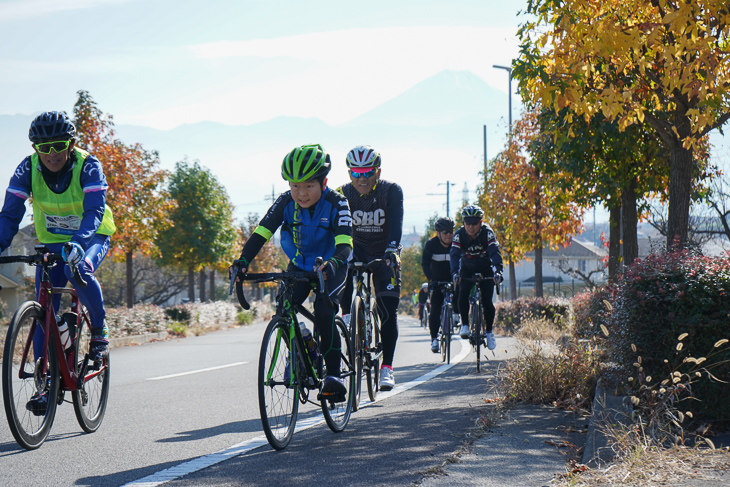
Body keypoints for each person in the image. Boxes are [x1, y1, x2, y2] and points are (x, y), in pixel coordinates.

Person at [0, 111, 116, 414]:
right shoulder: (27, 168)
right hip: (52, 240)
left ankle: (100, 334)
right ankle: (46, 383)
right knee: (43, 307)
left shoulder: (89, 166)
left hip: (91, 237)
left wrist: (79, 242)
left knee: (80, 269)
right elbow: (10, 214)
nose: (52, 153)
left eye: (59, 145)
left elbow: (94, 210)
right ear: (35, 148)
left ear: (71, 143)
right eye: (44, 147)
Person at [234, 144, 352, 399]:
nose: (301, 193)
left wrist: (332, 264)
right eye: (295, 185)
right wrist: (243, 260)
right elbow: (262, 232)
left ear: (324, 182)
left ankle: (333, 376)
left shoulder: (338, 203)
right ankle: (306, 347)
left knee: (323, 311)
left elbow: (345, 245)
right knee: (284, 308)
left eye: (309, 185)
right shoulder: (285, 202)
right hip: (300, 263)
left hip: (333, 264)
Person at [337, 145, 403, 392]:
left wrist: (393, 250)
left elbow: (396, 224)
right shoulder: (342, 194)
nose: (361, 178)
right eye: (356, 172)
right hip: (356, 251)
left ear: (377, 171)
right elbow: (338, 229)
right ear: (349, 173)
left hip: (385, 252)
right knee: (342, 283)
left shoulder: (391, 191)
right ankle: (350, 324)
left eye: (367, 172)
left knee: (388, 309)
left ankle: (387, 368)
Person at [450, 205, 503, 350]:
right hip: (467, 268)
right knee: (463, 293)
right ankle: (465, 325)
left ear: (480, 223)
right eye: (468, 223)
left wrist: (498, 271)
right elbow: (454, 255)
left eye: (475, 223)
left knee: (487, 301)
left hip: (486, 268)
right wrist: (455, 273)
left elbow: (495, 252)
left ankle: (489, 332)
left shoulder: (487, 233)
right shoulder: (459, 234)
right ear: (463, 222)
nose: (471, 227)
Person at [421, 217, 460, 353]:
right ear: (438, 233)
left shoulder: (457, 244)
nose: (449, 235)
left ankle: (456, 315)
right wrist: (431, 280)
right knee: (436, 308)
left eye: (451, 231)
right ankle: (434, 340)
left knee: (460, 292)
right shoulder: (431, 245)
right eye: (445, 232)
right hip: (436, 279)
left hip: (453, 277)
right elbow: (425, 264)